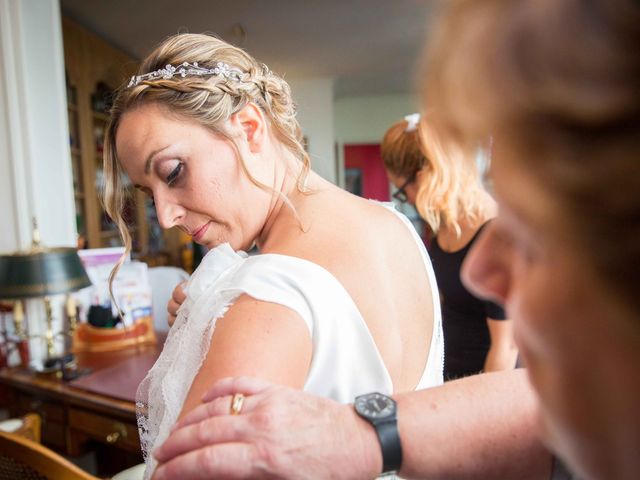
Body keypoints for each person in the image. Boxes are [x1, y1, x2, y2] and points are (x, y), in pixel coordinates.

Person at [150, 0, 640, 479]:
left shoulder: (277, 283)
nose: (480, 271)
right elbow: (553, 402)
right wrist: (369, 434)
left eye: (542, 220)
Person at [102, 33, 444, 478]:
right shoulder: (394, 225)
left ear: (249, 129)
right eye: (150, 193)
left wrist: (229, 321)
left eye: (173, 171)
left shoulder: (267, 295)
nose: (165, 216)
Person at [382, 115, 518, 380]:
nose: (407, 200)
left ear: (423, 178)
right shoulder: (442, 227)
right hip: (453, 380)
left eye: (402, 190)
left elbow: (506, 348)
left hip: (490, 389)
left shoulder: (499, 236)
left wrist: (480, 411)